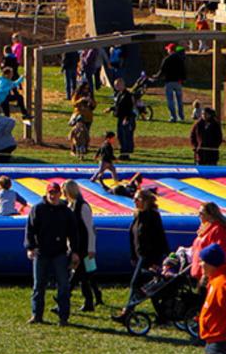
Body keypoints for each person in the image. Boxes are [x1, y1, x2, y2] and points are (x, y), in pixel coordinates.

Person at [24, 181, 80, 325]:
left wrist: (74, 251)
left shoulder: (66, 211)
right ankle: (36, 314)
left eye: (55, 193)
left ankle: (63, 316)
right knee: (38, 285)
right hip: (42, 252)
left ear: (60, 194)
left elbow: (73, 233)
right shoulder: (38, 209)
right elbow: (30, 229)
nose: (53, 196)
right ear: (46, 193)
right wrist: (30, 247)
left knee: (63, 285)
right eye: (51, 193)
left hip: (59, 252)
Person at [114, 188, 170, 323]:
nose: (134, 201)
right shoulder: (137, 215)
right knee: (150, 287)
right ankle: (163, 315)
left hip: (149, 257)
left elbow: (160, 238)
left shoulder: (152, 216)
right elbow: (132, 236)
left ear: (145, 201)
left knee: (135, 283)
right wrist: (133, 256)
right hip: (140, 256)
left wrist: (164, 257)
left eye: (138, 199)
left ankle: (127, 311)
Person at [63, 179, 102, 312]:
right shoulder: (71, 205)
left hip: (83, 246)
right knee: (83, 275)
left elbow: (90, 228)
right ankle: (90, 300)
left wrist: (91, 248)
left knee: (77, 274)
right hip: (76, 246)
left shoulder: (82, 206)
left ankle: (64, 298)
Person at [197, 243, 226, 354]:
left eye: (202, 261)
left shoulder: (222, 284)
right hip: (214, 339)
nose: (200, 264)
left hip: (221, 341)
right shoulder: (215, 280)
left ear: (211, 264)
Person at [191, 202, 226, 282]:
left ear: (210, 215)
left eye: (201, 213)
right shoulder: (204, 229)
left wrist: (208, 275)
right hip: (199, 275)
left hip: (209, 277)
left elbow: (223, 254)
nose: (198, 216)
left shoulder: (218, 230)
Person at [151, 42, 186, 122]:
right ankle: (181, 116)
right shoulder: (180, 59)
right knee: (179, 100)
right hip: (178, 82)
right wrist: (183, 79)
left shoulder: (166, 59)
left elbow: (162, 71)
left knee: (170, 100)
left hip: (169, 82)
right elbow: (183, 71)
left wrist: (156, 77)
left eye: (168, 50)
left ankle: (173, 117)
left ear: (170, 50)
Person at [110, 77, 136, 159]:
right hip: (120, 117)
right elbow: (118, 105)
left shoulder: (127, 95)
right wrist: (111, 109)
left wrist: (127, 118)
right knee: (120, 135)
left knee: (125, 136)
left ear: (122, 84)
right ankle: (123, 151)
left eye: (117, 85)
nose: (116, 87)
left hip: (125, 118)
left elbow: (129, 107)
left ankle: (125, 154)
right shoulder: (119, 94)